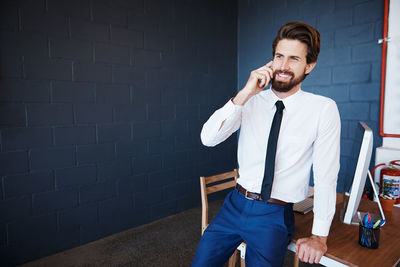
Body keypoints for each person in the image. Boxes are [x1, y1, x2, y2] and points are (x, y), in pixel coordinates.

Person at [192, 22, 341, 267]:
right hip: (234, 204)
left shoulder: (323, 109)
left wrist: (319, 237)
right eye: (279, 57)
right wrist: (244, 94)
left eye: (294, 59)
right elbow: (208, 139)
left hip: (274, 215)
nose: (283, 66)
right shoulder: (249, 100)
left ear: (309, 66)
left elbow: (326, 176)